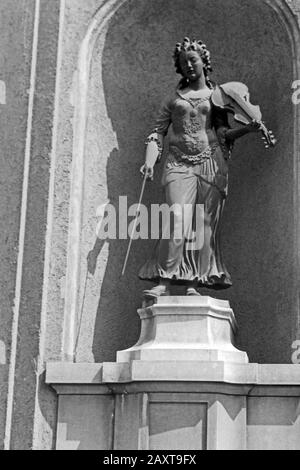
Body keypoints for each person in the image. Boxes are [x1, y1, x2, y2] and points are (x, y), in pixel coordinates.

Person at [139, 37, 261, 298]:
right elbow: (156, 133)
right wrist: (150, 161)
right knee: (177, 217)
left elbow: (224, 133)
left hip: (210, 162)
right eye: (183, 63)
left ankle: (195, 281)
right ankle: (165, 279)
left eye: (192, 60)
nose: (188, 66)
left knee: (202, 224)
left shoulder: (217, 97)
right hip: (177, 162)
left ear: (204, 62)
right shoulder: (172, 100)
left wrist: (248, 130)